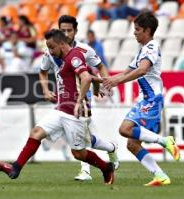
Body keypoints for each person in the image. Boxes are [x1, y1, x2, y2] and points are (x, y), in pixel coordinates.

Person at [0, 29, 115, 185]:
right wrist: (97, 84)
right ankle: (15, 168)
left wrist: (79, 101)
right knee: (36, 132)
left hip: (76, 113)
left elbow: (85, 78)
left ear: (62, 44)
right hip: (62, 108)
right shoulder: (63, 58)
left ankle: (106, 168)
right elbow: (89, 76)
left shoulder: (75, 56)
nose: (50, 51)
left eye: (52, 47)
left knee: (78, 153)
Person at [102, 12, 181, 186]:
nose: (134, 33)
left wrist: (117, 81)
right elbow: (127, 72)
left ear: (147, 30)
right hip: (144, 100)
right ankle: (160, 176)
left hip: (152, 99)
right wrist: (108, 82)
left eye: (137, 29)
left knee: (124, 129)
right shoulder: (143, 50)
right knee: (132, 144)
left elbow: (142, 70)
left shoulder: (151, 47)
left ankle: (165, 141)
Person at [40, 15, 119, 181]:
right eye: (63, 30)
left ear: (76, 31)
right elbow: (43, 71)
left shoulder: (85, 50)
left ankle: (86, 171)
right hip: (63, 99)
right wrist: (46, 90)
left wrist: (106, 84)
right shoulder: (51, 50)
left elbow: (100, 67)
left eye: (69, 30)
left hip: (82, 98)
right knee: (85, 138)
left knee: (80, 136)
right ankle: (111, 147)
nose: (66, 33)